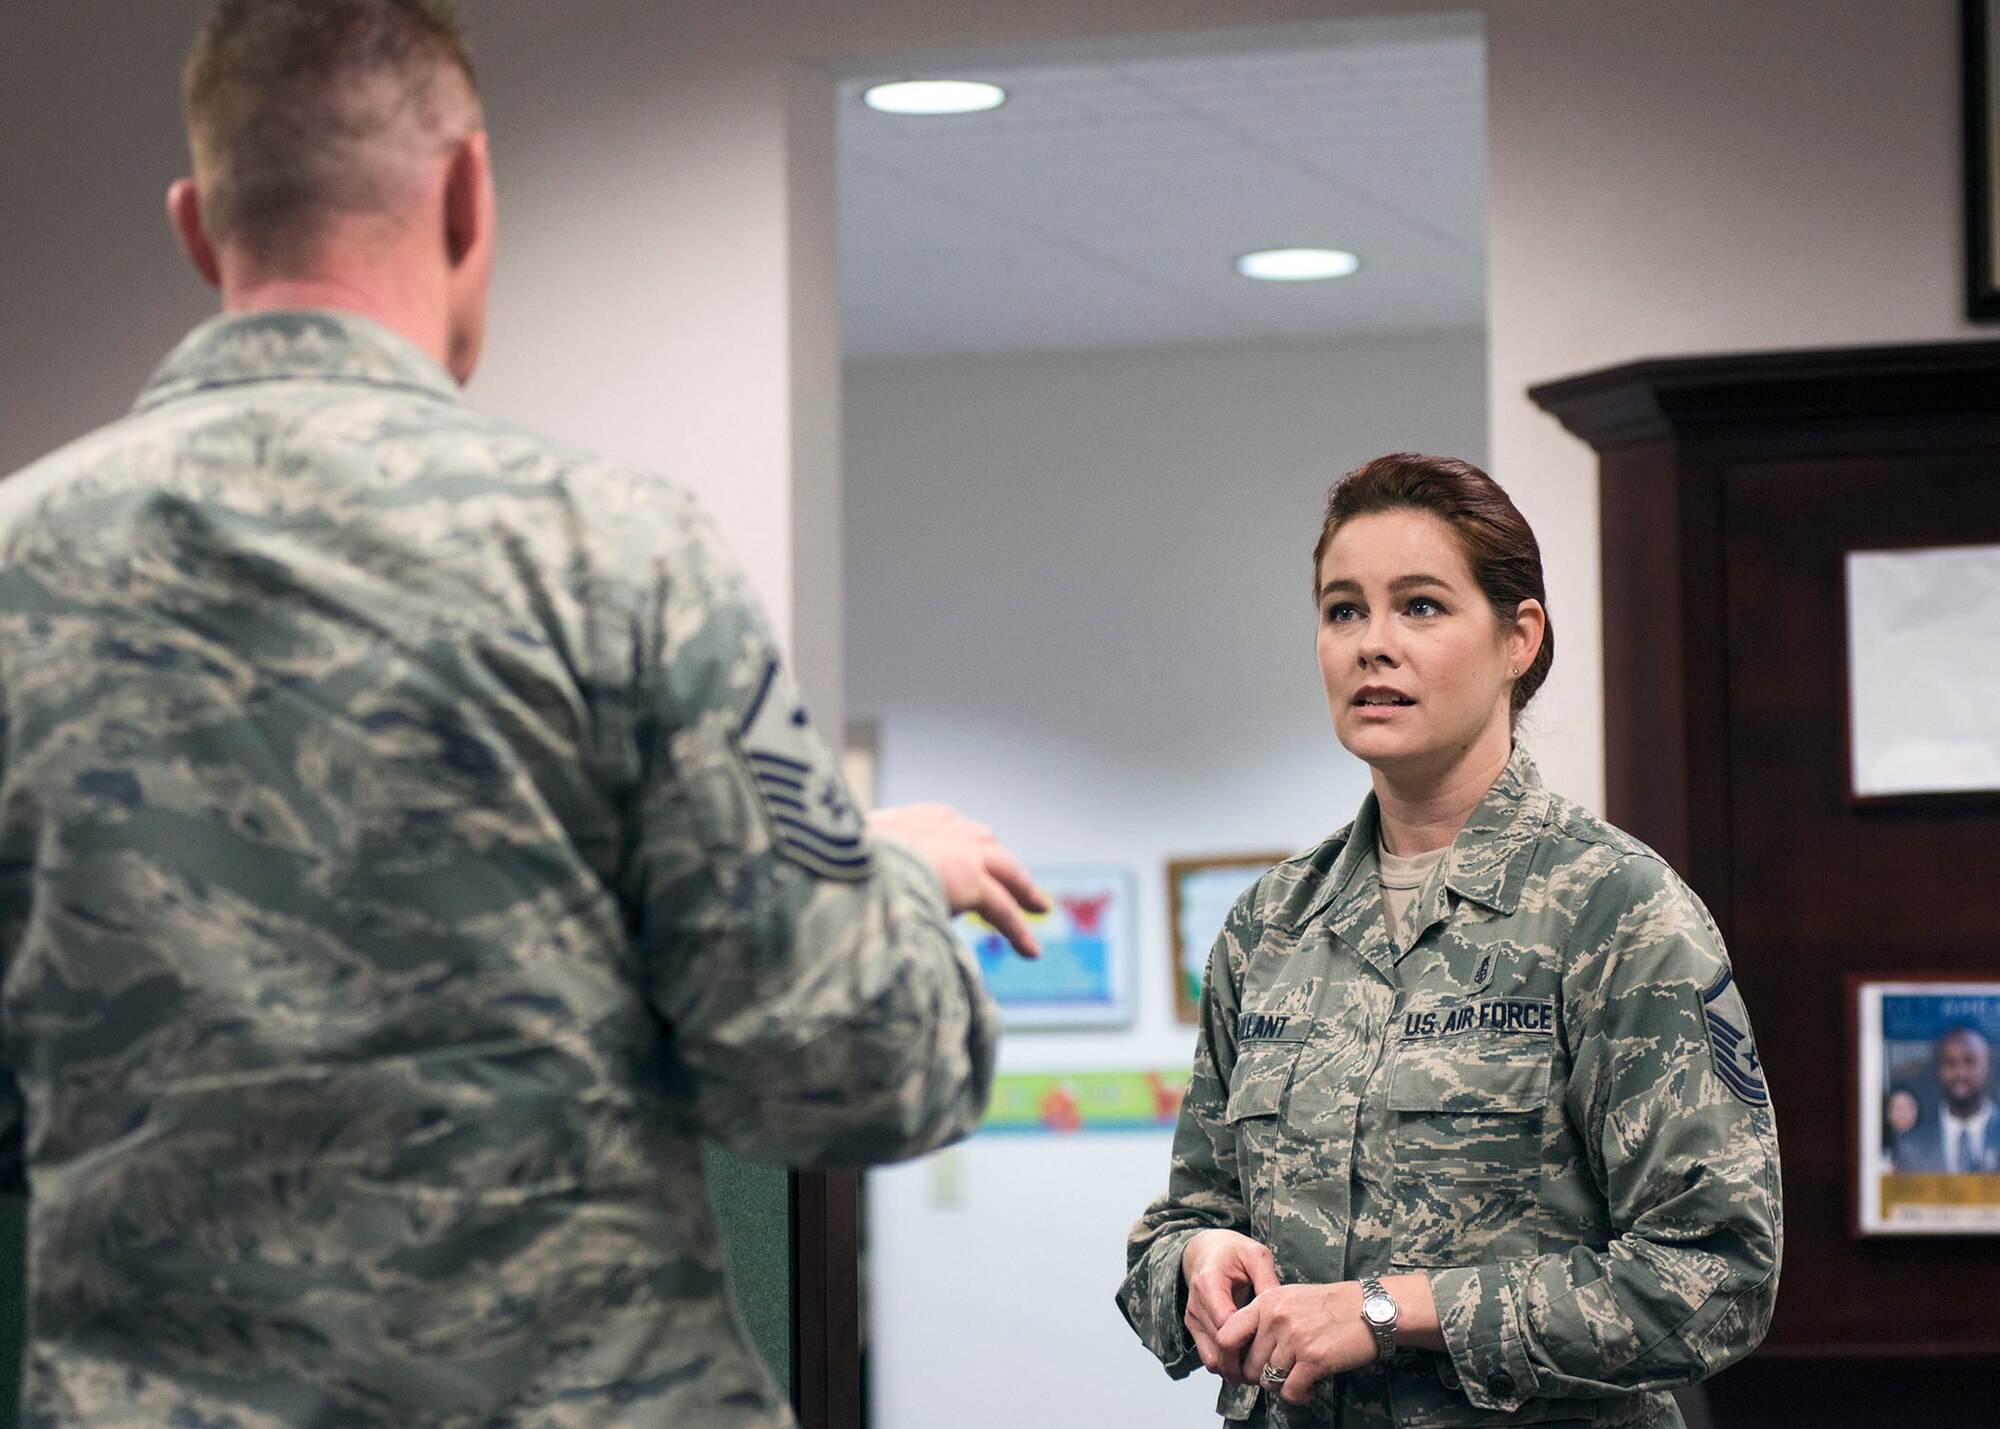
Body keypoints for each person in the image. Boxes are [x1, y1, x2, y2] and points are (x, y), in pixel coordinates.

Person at [0, 2, 1045, 1425]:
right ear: (469, 193)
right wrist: (888, 884)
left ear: (197, 227)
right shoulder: (611, 554)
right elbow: (847, 1068)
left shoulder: (18, 572)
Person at [1117, 454, 1782, 1427]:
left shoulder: (1614, 912)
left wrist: (1390, 1310)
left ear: (1518, 638)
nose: (1370, 646)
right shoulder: (1270, 922)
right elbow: (1181, 1218)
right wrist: (1192, 1262)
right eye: (1342, 610)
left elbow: (1713, 1280)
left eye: (1419, 606)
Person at [1894, 1027, 2000, 1174]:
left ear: (1988, 1067)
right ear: (1937, 1069)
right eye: (1950, 1063)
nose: (1960, 1073)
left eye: (1969, 1061)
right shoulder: (1911, 1145)